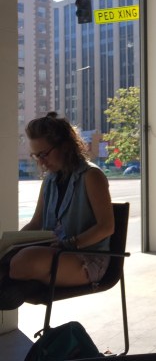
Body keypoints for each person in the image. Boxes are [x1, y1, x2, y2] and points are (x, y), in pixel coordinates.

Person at [0, 112, 114, 310]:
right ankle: (18, 289)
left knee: (23, 261)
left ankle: (18, 288)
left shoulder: (91, 176)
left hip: (87, 258)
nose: (41, 162)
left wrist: (69, 244)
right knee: (16, 259)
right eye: (36, 156)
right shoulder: (50, 180)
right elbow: (36, 224)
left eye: (44, 154)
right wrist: (9, 245)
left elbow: (106, 227)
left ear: (65, 146)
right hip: (56, 254)